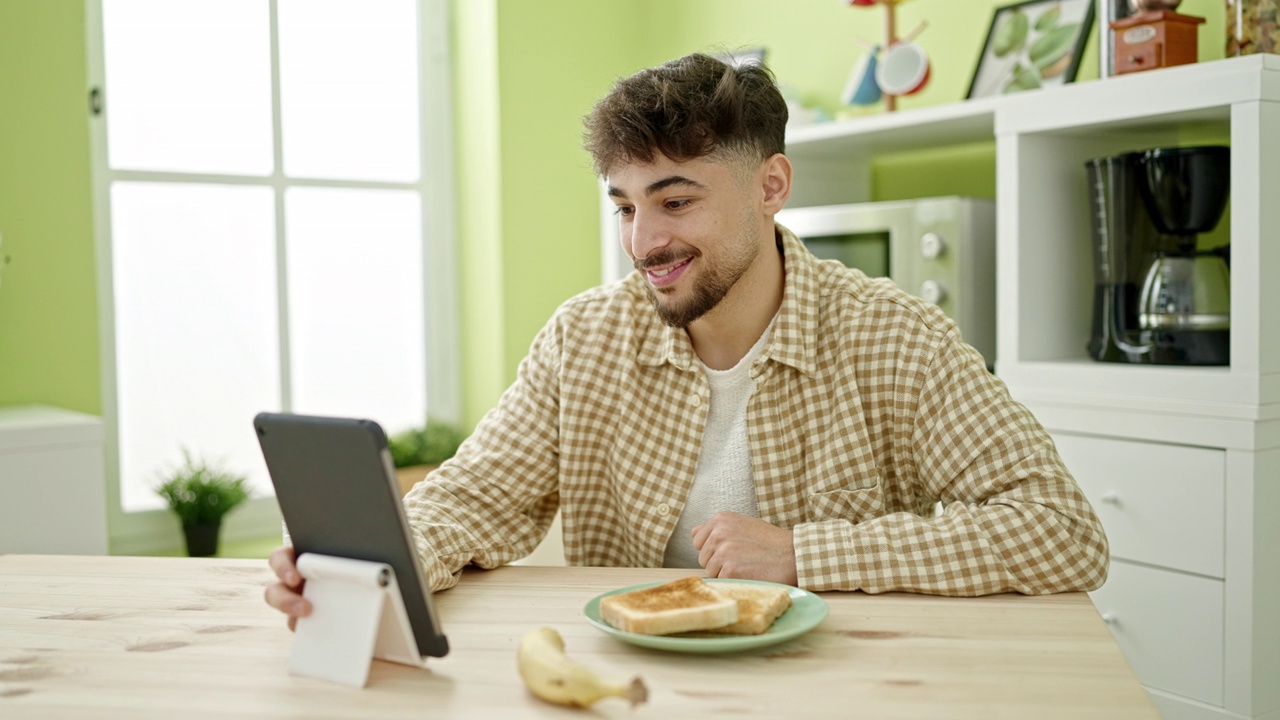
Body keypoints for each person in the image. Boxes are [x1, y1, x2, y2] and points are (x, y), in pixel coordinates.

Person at [266, 52, 1107, 625]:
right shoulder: (583, 339)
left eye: (675, 202)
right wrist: (372, 565)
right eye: (625, 207)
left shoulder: (897, 338)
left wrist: (801, 553)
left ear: (770, 185)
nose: (642, 244)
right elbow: (475, 499)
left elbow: (1062, 531)